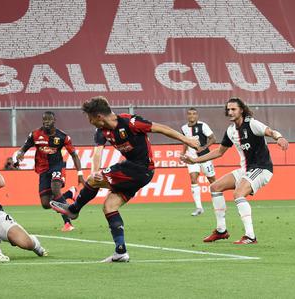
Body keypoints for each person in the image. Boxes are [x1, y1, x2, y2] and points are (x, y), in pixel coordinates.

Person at [50, 96, 199, 262]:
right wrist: (94, 171)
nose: (90, 122)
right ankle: (121, 252)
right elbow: (98, 152)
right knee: (109, 206)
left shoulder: (130, 123)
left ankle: (74, 210)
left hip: (141, 169)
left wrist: (187, 140)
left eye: (90, 118)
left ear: (98, 116)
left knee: (93, 182)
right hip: (133, 171)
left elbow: (161, 128)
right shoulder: (101, 131)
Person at [180, 97, 289, 244]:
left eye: (233, 109)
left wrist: (279, 137)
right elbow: (219, 152)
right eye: (228, 109)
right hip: (245, 170)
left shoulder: (252, 124)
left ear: (241, 110)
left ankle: (250, 236)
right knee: (215, 187)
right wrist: (194, 160)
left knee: (238, 194)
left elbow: (270, 131)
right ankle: (221, 230)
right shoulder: (231, 131)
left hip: (261, 168)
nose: (230, 112)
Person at [15, 111, 83, 232]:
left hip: (57, 166)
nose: (46, 122)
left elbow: (74, 155)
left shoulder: (62, 136)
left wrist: (80, 173)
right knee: (46, 204)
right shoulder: (35, 134)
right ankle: (70, 194)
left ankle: (68, 222)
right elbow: (23, 149)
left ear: (54, 121)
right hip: (43, 169)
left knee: (55, 189)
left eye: (49, 120)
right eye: (44, 120)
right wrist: (20, 155)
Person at [180, 108, 217, 216]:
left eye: (194, 114)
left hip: (205, 157)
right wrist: (183, 153)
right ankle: (199, 207)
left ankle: (219, 204)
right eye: (190, 114)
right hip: (191, 158)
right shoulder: (184, 128)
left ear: (197, 116)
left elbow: (213, 138)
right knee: (193, 178)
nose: (192, 116)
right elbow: (185, 142)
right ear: (187, 116)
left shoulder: (203, 126)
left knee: (212, 180)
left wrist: (204, 147)